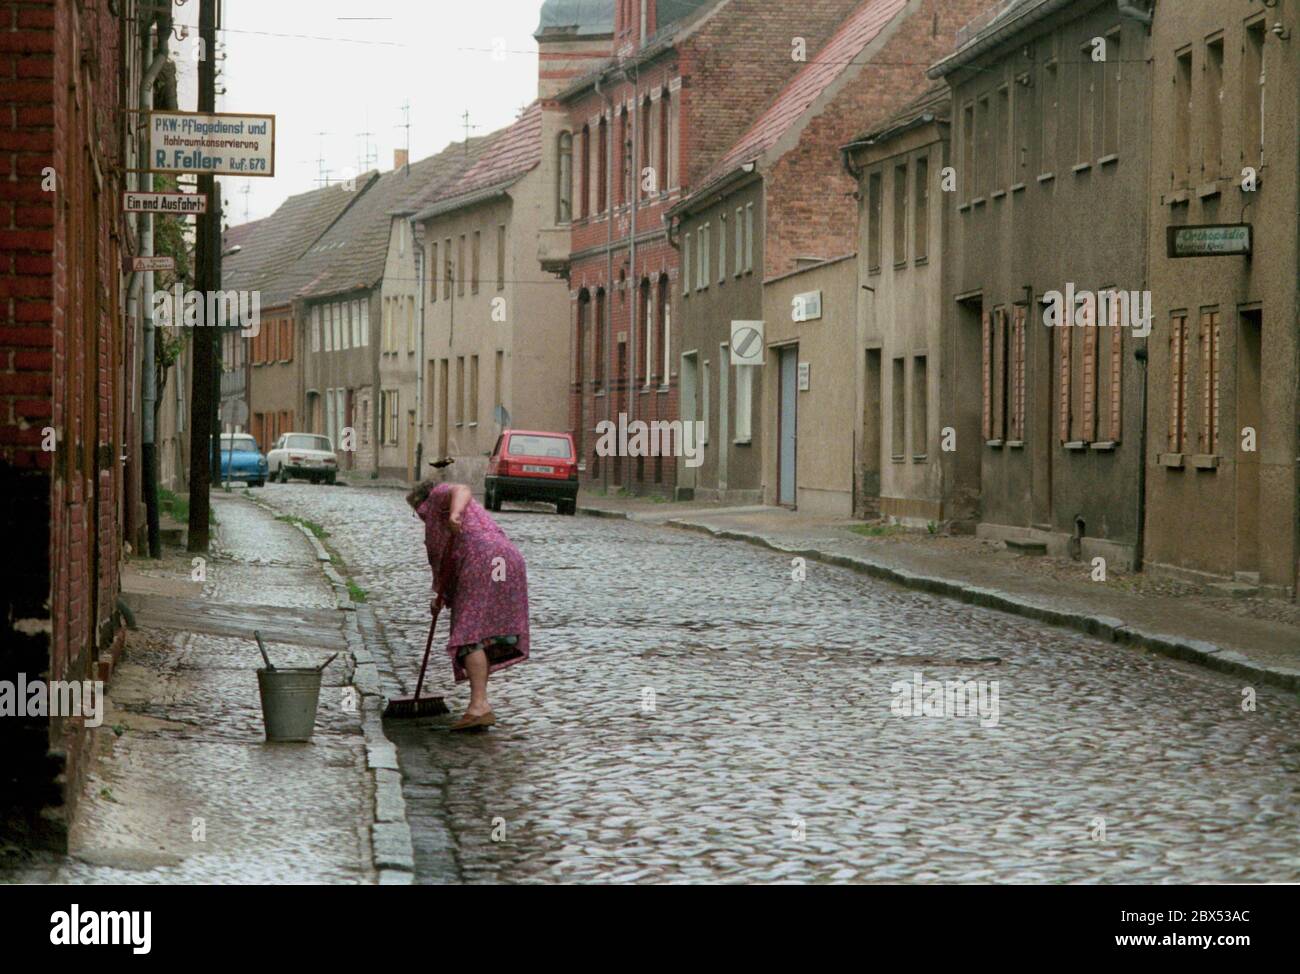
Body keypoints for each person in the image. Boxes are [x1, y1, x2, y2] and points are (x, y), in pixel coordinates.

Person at [406, 467, 530, 730]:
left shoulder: (439, 497)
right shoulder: (441, 528)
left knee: (468, 634)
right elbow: (444, 567)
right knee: (480, 633)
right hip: (507, 558)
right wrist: (441, 597)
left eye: (417, 511)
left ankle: (479, 706)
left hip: (481, 560)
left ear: (421, 501)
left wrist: (454, 513)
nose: (419, 517)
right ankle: (479, 703)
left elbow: (461, 489)